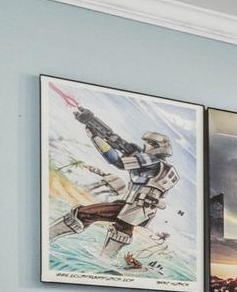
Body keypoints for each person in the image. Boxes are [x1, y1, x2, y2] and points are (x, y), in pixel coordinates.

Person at [46, 84, 178, 270]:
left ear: (157, 147)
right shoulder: (160, 165)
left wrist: (96, 138)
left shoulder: (150, 161)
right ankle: (105, 264)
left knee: (84, 214)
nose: (145, 146)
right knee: (119, 229)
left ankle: (47, 237)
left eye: (149, 143)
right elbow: (120, 144)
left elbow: (117, 161)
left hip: (134, 207)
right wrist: (95, 127)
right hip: (138, 209)